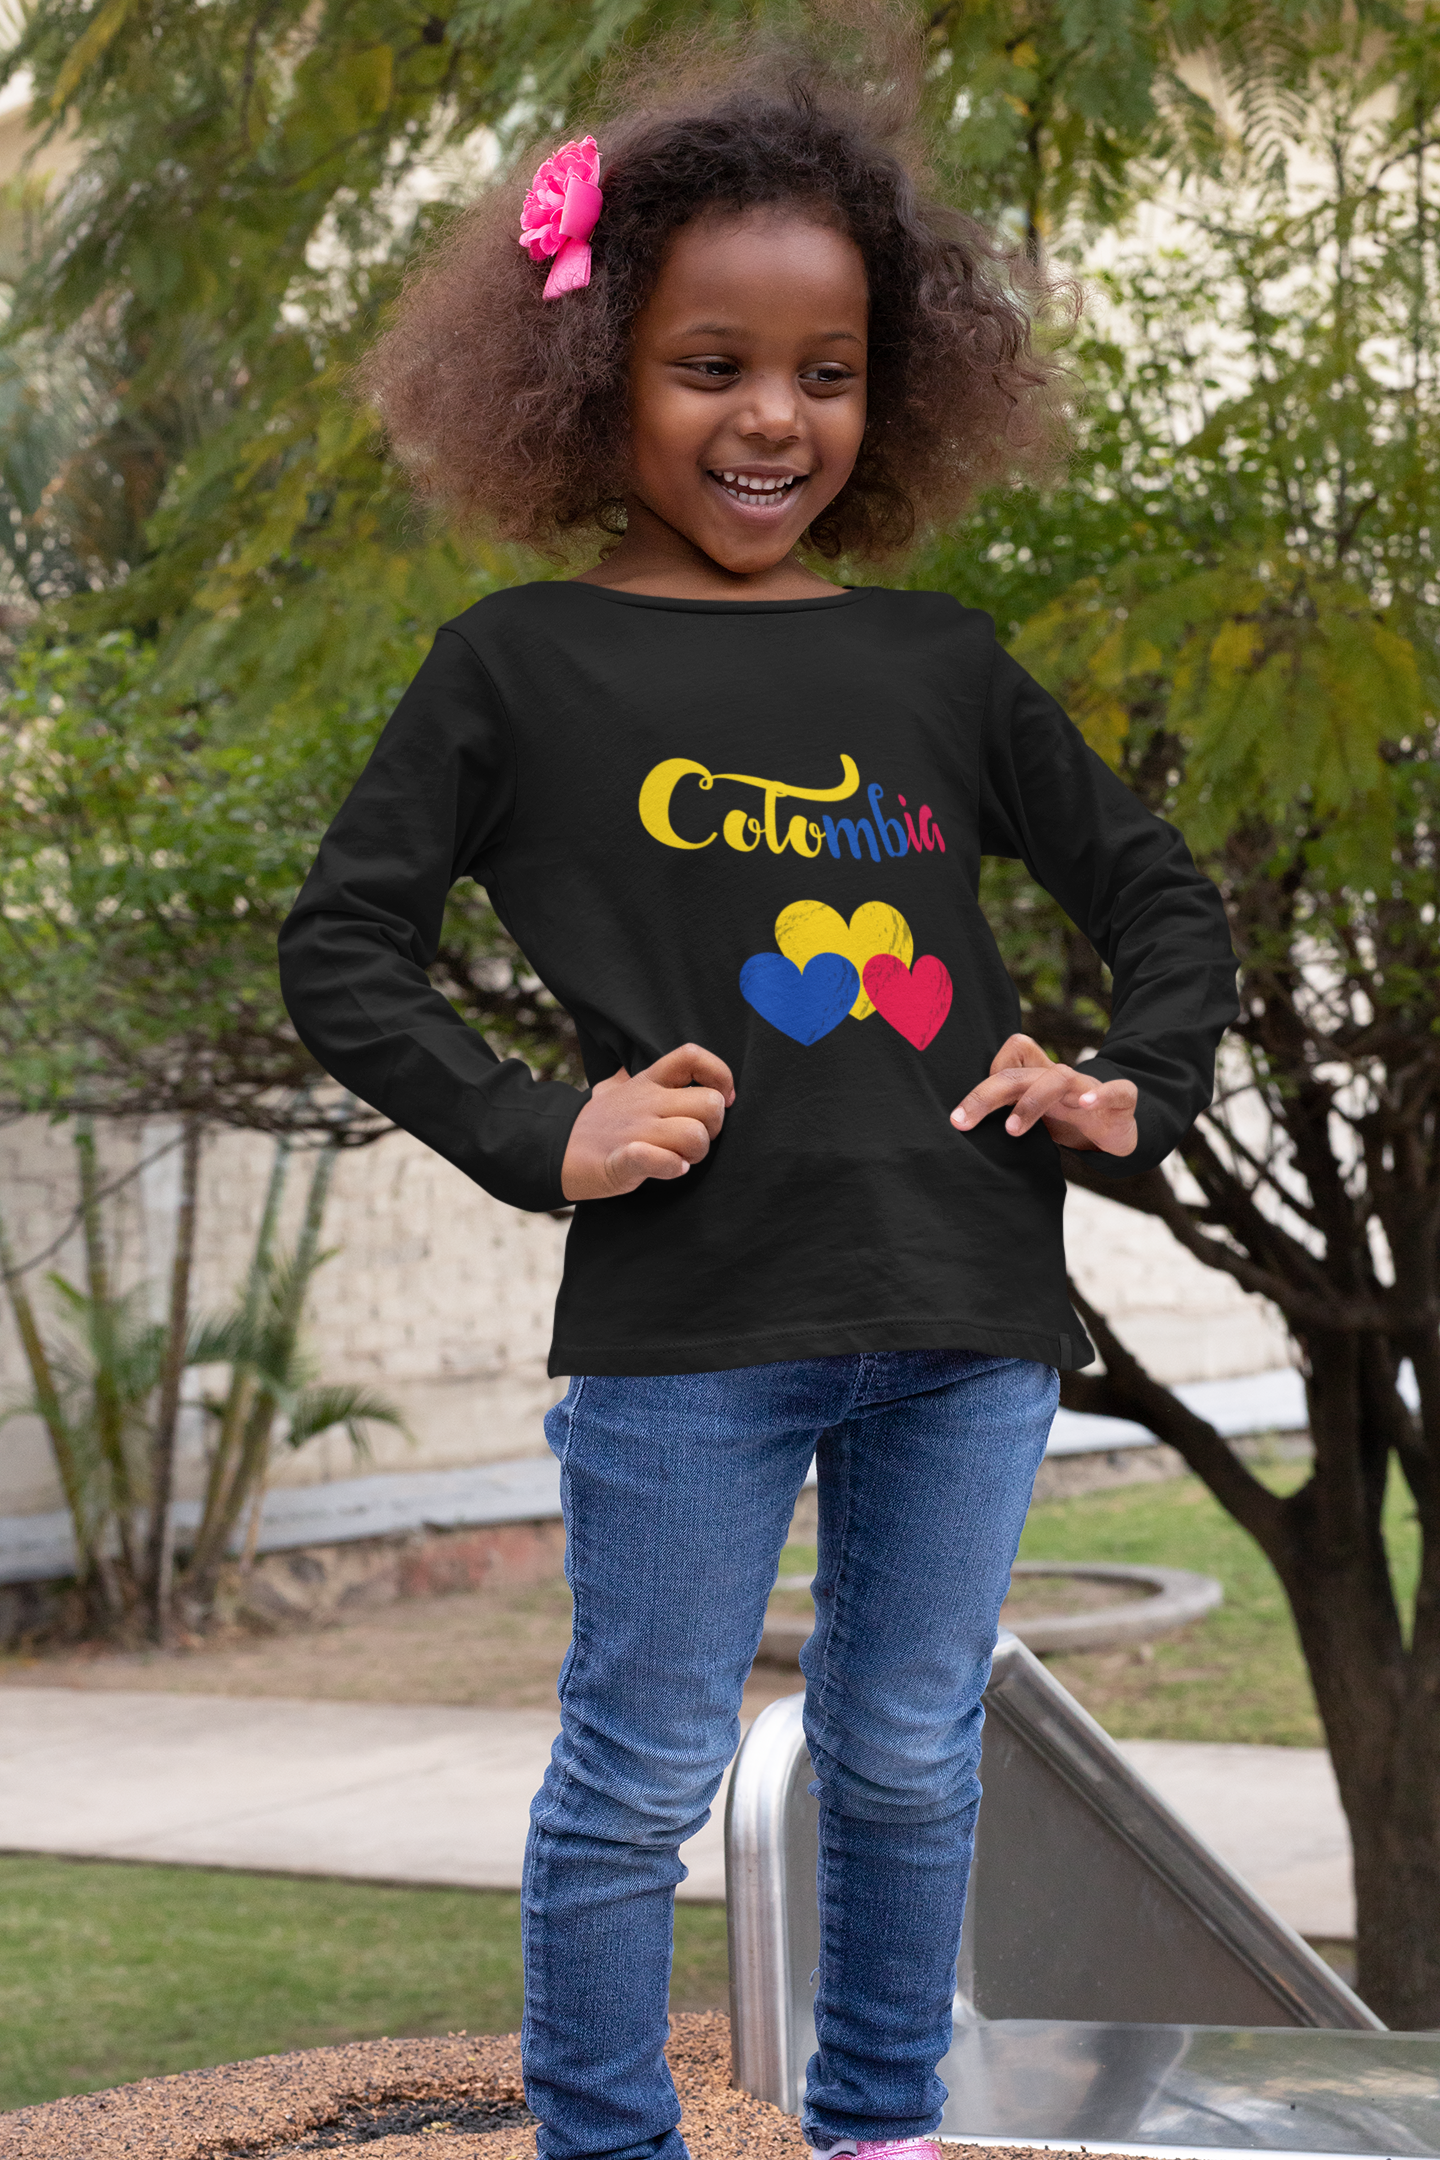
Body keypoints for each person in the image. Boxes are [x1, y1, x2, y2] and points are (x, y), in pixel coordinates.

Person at [278, 28, 1237, 2160]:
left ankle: (878, 2128)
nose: (771, 417)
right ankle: (608, 2144)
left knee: (909, 1759)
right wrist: (552, 1129)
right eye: (714, 362)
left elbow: (1161, 898)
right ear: (597, 367)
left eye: (826, 370)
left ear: (892, 392)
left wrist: (1123, 1087)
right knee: (635, 1777)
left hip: (963, 1308)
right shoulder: (515, 669)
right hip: (690, 1328)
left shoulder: (942, 666)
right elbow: (338, 950)